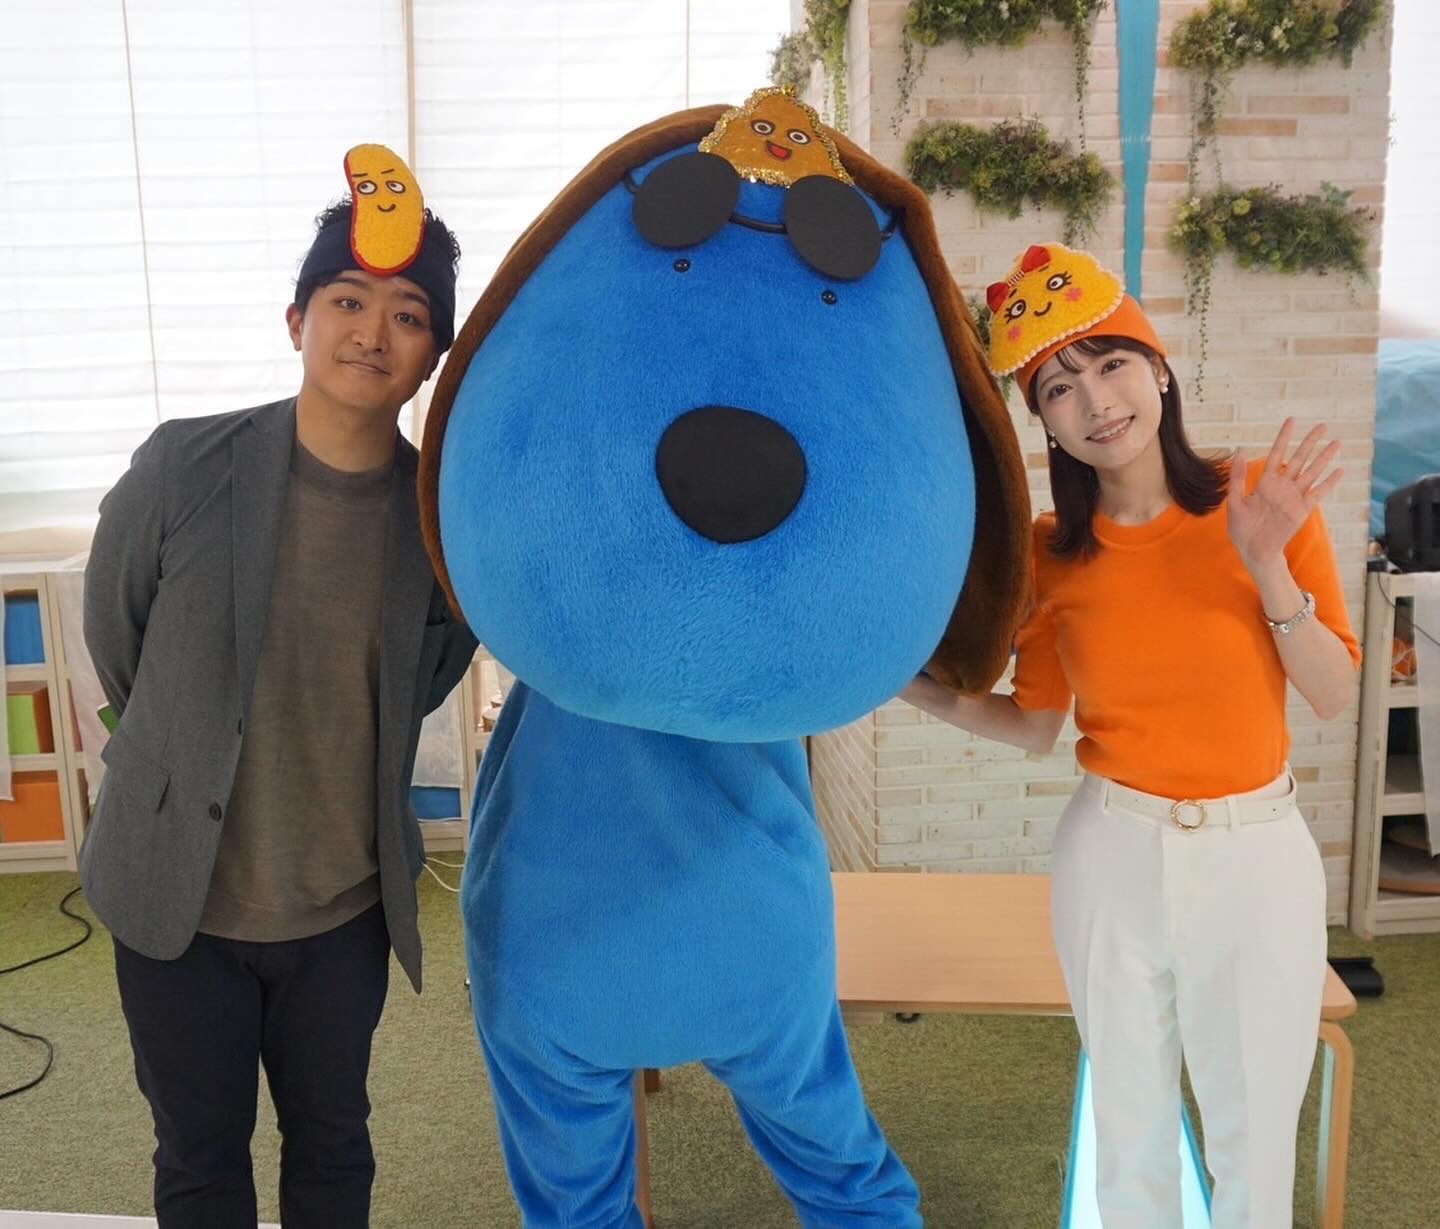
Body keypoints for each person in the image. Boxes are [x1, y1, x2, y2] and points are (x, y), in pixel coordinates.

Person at [901, 241, 1360, 1228]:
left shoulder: (1260, 499)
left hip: (1258, 854)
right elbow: (1034, 725)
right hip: (1112, 852)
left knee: (1255, 1133)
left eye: (1111, 363)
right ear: (1044, 422)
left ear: (1158, 368)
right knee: (1129, 1117)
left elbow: (1331, 690)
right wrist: (904, 685)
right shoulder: (1051, 554)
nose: (1096, 401)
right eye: (1058, 387)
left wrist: (1267, 563)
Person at [80, 144, 478, 1228]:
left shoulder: (442, 520)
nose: (372, 331)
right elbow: (118, 638)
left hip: (341, 912)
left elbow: (429, 676)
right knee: (199, 1157)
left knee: (334, 1148)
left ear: (433, 356)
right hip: (176, 898)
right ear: (297, 320)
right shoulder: (183, 466)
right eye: (346, 300)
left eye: (407, 315)